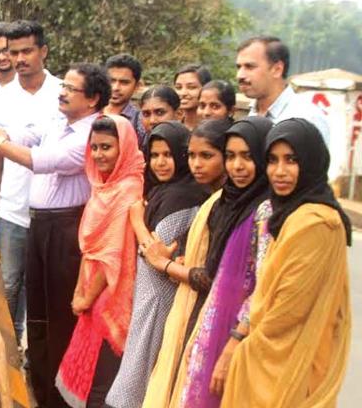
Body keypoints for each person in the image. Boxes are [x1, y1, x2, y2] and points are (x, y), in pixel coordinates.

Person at [0, 62, 111, 406]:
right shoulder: (59, 122)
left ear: (93, 99)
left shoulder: (90, 135)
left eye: (71, 88)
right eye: (63, 85)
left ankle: (58, 395)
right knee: (35, 312)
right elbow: (20, 137)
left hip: (66, 230)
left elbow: (40, 160)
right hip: (39, 223)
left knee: (58, 316)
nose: (62, 92)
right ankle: (38, 387)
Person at [223, 118, 352, 407]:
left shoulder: (316, 223)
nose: (279, 172)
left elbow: (286, 311)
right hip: (273, 355)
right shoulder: (290, 215)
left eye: (291, 160)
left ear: (312, 162)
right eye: (272, 160)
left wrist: (242, 348)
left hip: (287, 362)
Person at [163, 117, 275, 408]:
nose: (237, 166)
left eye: (248, 157)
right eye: (231, 156)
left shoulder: (266, 211)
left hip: (239, 332)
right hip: (212, 321)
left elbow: (263, 285)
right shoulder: (227, 200)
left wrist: (234, 340)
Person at [105, 122, 210, 408]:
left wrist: (137, 219)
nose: (160, 162)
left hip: (159, 297)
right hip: (151, 293)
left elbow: (154, 252)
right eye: (154, 155)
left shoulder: (181, 195)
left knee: (139, 377)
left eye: (168, 154)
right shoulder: (166, 191)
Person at [0, 20, 62, 342]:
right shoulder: (1, 98)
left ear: (43, 51)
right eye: (14, 52)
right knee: (8, 285)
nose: (20, 58)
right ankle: (5, 358)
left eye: (27, 50)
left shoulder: (62, 92)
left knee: (41, 290)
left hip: (52, 211)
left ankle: (35, 360)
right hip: (11, 211)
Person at [140, 119, 231, 408]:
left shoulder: (217, 202)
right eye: (191, 156)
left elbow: (211, 275)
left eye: (206, 156)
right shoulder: (214, 199)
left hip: (209, 311)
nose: (196, 164)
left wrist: (167, 265)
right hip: (191, 303)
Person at [55, 115, 145, 408]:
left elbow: (112, 256)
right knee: (89, 374)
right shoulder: (104, 185)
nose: (98, 155)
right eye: (93, 148)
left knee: (99, 382)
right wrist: (79, 294)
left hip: (109, 296)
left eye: (106, 147)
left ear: (124, 148)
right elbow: (92, 250)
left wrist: (86, 298)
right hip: (91, 291)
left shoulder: (128, 188)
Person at [236, 36, 329, 143]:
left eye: (249, 67)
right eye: (239, 67)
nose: (240, 75)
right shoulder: (251, 114)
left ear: (277, 69)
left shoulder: (307, 118)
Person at [105, 53, 146, 143]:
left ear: (137, 86)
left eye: (124, 82)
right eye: (111, 81)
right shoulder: (89, 112)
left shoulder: (140, 122)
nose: (115, 88)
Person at [173, 64, 212, 131]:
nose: (183, 93)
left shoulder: (215, 130)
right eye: (178, 87)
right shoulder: (171, 130)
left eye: (191, 87)